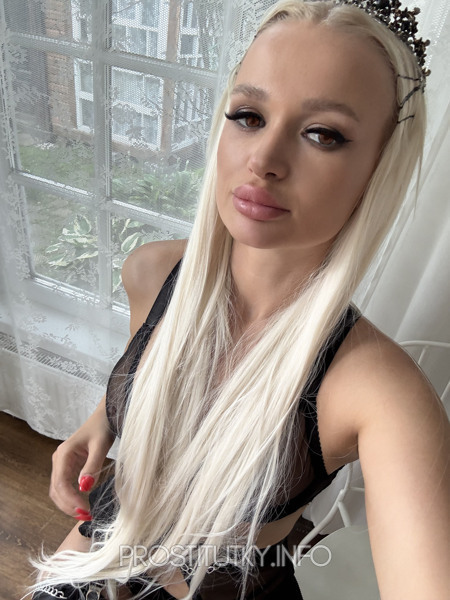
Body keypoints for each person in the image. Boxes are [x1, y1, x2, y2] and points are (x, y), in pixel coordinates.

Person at [31, 1, 449, 599]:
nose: (264, 160)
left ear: (378, 168)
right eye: (249, 116)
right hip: (104, 542)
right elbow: (157, 378)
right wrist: (99, 420)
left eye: (322, 134)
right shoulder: (153, 272)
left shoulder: (379, 392)